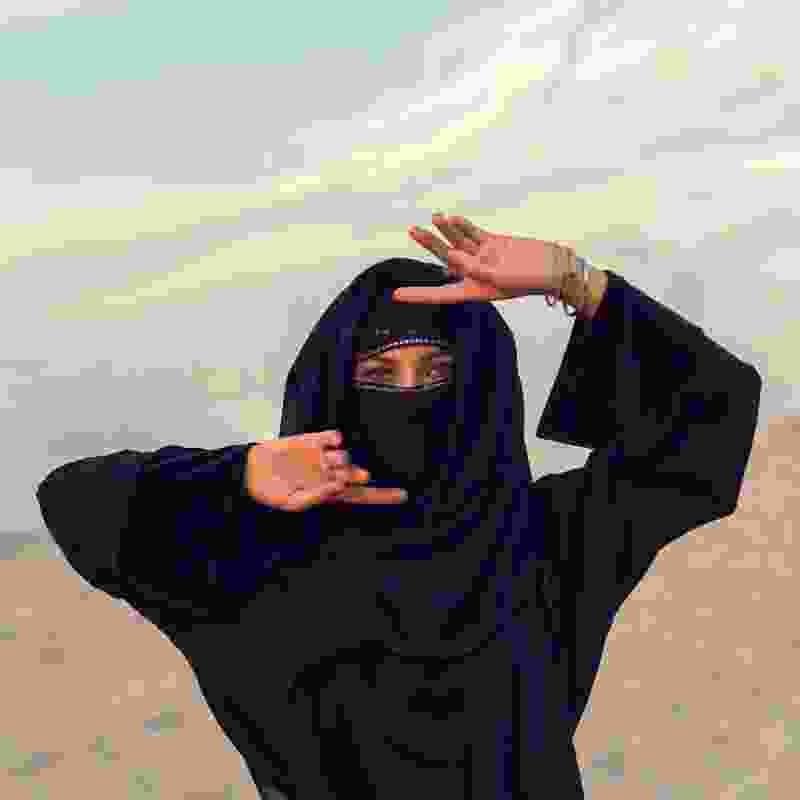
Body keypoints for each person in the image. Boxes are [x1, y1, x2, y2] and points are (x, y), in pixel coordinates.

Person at [35, 214, 761, 798]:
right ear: (335, 388)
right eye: (379, 374)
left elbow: (712, 415)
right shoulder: (255, 557)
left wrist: (575, 280)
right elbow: (75, 505)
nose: (410, 396)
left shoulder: (546, 541)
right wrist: (237, 474)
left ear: (479, 384)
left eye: (437, 370)